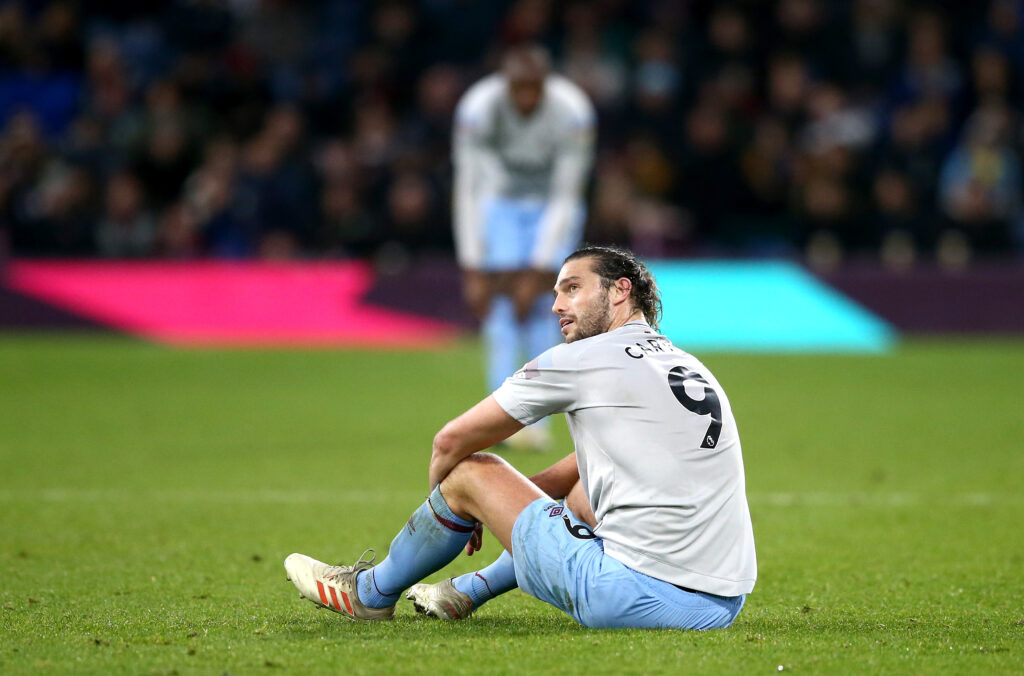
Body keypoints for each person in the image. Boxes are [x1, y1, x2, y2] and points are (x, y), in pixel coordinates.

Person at [284, 245, 757, 630]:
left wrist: (455, 506)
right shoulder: (684, 363)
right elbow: (593, 463)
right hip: (717, 606)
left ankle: (369, 593)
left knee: (473, 470)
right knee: (584, 493)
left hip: (627, 596)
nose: (556, 305)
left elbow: (450, 442)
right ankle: (463, 592)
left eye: (573, 288)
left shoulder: (583, 358)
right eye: (556, 292)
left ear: (619, 292)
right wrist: (512, 504)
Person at [451, 44, 596, 451]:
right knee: (499, 306)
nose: (526, 99)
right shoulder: (477, 109)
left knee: (549, 305)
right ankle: (497, 420)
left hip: (552, 206)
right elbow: (468, 185)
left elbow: (568, 193)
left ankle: (538, 420)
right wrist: (473, 264)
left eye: (534, 89)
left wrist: (540, 268)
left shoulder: (574, 112)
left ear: (546, 85)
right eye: (519, 89)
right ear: (505, 84)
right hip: (498, 205)